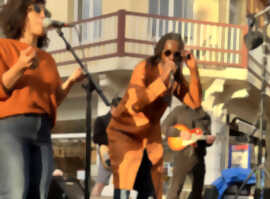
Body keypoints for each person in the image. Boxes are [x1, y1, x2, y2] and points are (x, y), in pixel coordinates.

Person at [0, 0, 85, 198]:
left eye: (45, 10)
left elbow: (52, 100)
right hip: (11, 128)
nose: (43, 14)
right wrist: (19, 66)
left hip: (43, 132)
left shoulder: (48, 59)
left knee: (40, 193)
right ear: (21, 15)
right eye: (37, 9)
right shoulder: (4, 47)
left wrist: (71, 82)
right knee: (15, 190)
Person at [106, 32, 203, 199]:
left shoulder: (176, 80)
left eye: (176, 55)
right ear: (160, 52)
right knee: (124, 186)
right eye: (168, 53)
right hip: (126, 131)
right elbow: (138, 102)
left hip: (149, 136)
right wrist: (163, 77)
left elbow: (195, 103)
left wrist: (193, 70)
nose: (172, 57)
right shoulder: (143, 68)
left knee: (150, 189)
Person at [161, 105, 216, 199]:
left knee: (198, 191)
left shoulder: (206, 116)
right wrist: (179, 133)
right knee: (175, 190)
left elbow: (206, 137)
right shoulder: (178, 111)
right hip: (181, 156)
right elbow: (164, 128)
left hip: (198, 156)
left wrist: (208, 141)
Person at [91, 97, 122, 197]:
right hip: (107, 154)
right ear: (112, 107)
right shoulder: (101, 120)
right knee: (101, 182)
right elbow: (96, 138)